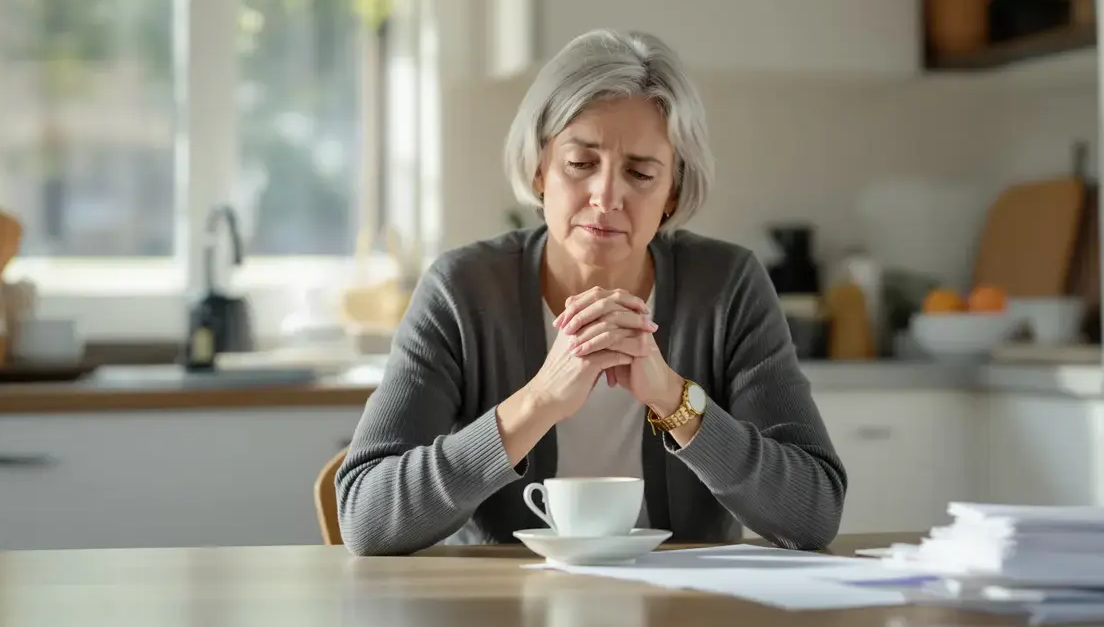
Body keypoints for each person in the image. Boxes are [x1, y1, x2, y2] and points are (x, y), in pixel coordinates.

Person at [336, 28, 846, 556]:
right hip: (506, 601)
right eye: (581, 164)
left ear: (672, 192)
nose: (606, 196)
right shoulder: (460, 290)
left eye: (641, 173)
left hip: (686, 602)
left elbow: (813, 515)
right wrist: (539, 401)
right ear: (540, 169)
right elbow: (367, 517)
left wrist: (675, 400)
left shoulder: (727, 286)